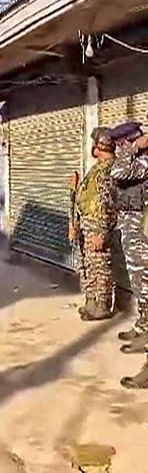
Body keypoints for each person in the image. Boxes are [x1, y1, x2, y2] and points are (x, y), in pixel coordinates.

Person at [108, 121, 148, 389]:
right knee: (141, 287)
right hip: (134, 230)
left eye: (121, 143)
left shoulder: (142, 161)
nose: (119, 149)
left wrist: (134, 148)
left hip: (141, 233)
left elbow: (119, 170)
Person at [70, 127, 117, 322]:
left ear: (100, 146)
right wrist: (75, 223)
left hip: (98, 226)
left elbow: (110, 203)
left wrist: (104, 232)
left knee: (100, 267)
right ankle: (91, 302)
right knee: (88, 266)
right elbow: (85, 197)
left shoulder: (109, 169)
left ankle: (102, 305)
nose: (92, 147)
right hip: (87, 225)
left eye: (94, 143)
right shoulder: (97, 168)